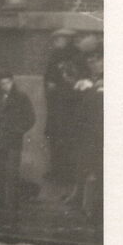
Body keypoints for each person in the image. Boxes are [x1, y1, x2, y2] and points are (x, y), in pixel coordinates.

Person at [43, 29, 87, 198]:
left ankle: (67, 180)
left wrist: (56, 86)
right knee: (56, 140)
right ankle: (59, 175)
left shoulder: (75, 59)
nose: (55, 43)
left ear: (67, 40)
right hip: (56, 108)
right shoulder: (55, 57)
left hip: (68, 109)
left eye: (58, 40)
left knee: (67, 142)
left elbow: (75, 82)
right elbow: (49, 80)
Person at [0, 71, 36, 212]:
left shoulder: (21, 97)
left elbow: (31, 118)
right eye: (2, 83)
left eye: (8, 82)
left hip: (13, 141)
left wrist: (18, 130)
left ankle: (12, 205)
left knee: (12, 173)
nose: (5, 86)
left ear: (12, 81)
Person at [74, 49, 104, 225]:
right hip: (90, 133)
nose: (93, 65)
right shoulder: (91, 81)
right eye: (90, 62)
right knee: (90, 170)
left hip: (101, 133)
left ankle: (94, 211)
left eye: (97, 61)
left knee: (98, 172)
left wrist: (91, 90)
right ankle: (89, 209)